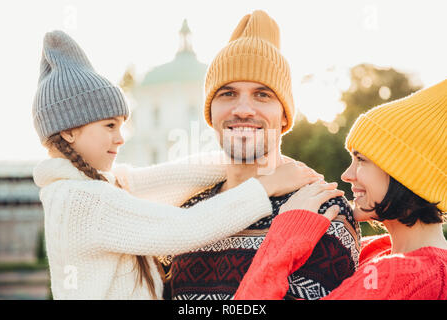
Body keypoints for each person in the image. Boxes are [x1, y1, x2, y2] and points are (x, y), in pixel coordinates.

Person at [32, 30, 322, 299]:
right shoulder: (81, 200)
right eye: (109, 125)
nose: (120, 139)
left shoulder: (93, 187)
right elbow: (184, 229)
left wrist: (264, 164)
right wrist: (266, 184)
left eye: (122, 125)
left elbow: (173, 177)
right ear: (69, 130)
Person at [165, 10, 361, 301]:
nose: (243, 109)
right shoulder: (187, 213)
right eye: (228, 94)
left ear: (284, 115)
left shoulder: (323, 209)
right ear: (210, 114)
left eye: (263, 95)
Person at [234, 79, 447, 300]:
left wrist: (285, 237)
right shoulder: (378, 251)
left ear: (406, 172)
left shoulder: (401, 274)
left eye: (361, 160)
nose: (347, 175)